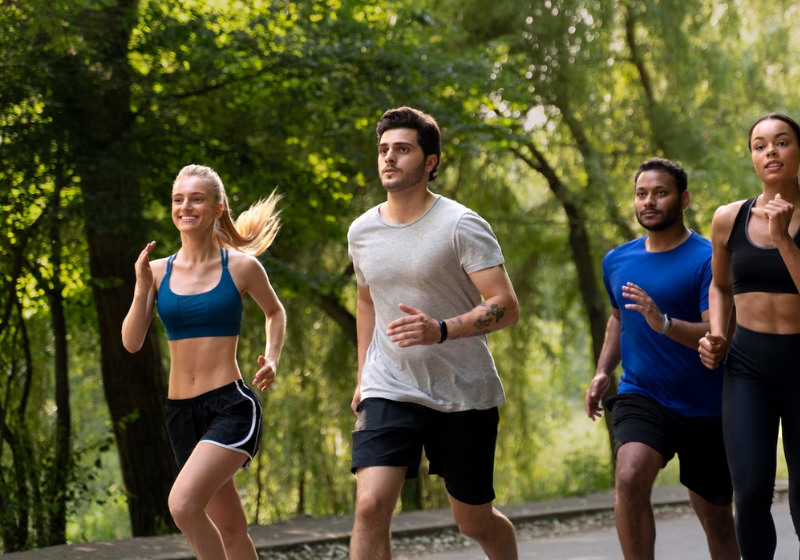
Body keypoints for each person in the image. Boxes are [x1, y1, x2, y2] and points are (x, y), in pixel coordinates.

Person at [347, 107, 520, 560]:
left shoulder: (461, 225)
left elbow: (505, 306)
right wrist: (363, 374)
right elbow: (366, 301)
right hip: (390, 386)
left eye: (402, 149)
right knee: (370, 506)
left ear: (430, 162)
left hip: (462, 392)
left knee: (473, 520)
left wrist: (440, 330)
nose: (389, 158)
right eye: (384, 149)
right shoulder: (361, 231)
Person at [121, 164, 285, 560]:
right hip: (181, 414)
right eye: (179, 199)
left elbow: (275, 312)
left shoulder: (241, 266)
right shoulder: (158, 272)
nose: (185, 206)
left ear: (217, 207)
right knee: (230, 528)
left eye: (196, 198)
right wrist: (142, 286)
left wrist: (273, 358)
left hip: (230, 406)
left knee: (182, 505)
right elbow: (130, 342)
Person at [586, 158, 739, 560]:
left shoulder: (708, 259)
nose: (648, 201)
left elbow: (715, 332)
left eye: (660, 193)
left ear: (683, 199)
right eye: (641, 194)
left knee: (719, 520)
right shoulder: (616, 260)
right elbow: (618, 319)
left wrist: (665, 322)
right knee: (631, 475)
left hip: (706, 405)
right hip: (643, 394)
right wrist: (603, 371)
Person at [699, 113, 800, 558]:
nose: (771, 151)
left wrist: (783, 240)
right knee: (752, 488)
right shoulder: (728, 218)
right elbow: (720, 286)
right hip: (747, 367)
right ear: (753, 158)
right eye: (760, 145)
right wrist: (718, 334)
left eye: (781, 142)